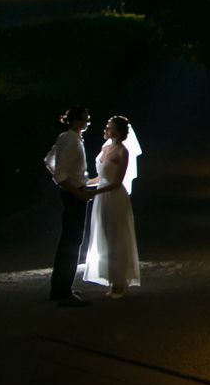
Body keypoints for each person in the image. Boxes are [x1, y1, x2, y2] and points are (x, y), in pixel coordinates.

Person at [83, 114, 141, 297]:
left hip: (114, 197)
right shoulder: (105, 148)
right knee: (105, 236)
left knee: (116, 237)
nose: (105, 128)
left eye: (109, 126)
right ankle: (110, 278)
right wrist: (86, 184)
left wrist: (95, 192)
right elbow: (101, 177)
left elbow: (117, 182)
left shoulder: (123, 151)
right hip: (102, 196)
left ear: (116, 130)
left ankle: (119, 282)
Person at [42, 106, 91, 307]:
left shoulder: (66, 137)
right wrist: (75, 188)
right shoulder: (71, 140)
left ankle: (62, 287)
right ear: (77, 121)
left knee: (71, 239)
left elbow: (48, 160)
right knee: (72, 240)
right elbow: (59, 173)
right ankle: (63, 291)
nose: (88, 122)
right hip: (74, 194)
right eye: (86, 119)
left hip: (72, 191)